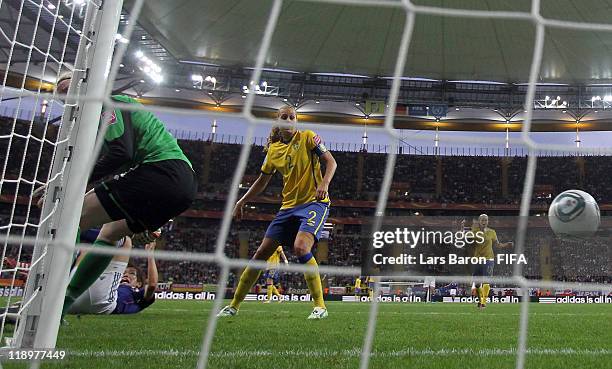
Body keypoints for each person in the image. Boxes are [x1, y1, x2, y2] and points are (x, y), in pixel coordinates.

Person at [51, 73, 197, 316]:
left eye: (69, 87)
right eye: (61, 94)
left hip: (161, 171)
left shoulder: (109, 103)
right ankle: (64, 304)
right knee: (110, 234)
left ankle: (51, 299)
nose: (67, 95)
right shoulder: (96, 120)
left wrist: (73, 183)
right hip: (183, 187)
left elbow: (121, 152)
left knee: (70, 218)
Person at [218, 105, 337, 319]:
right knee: (260, 254)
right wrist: (241, 201)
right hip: (288, 207)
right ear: (278, 122)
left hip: (314, 203)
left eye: (293, 117)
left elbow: (331, 161)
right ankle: (233, 306)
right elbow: (262, 181)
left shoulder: (309, 137)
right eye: (284, 117)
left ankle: (320, 307)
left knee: (301, 247)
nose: (289, 120)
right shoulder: (273, 151)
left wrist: (325, 184)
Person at [67, 233, 158, 315]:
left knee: (125, 240)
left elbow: (152, 285)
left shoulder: (136, 295)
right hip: (73, 301)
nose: (126, 275)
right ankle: (78, 231)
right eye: (124, 272)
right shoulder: (112, 285)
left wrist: (150, 254)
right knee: (85, 250)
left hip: (101, 304)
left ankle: (78, 229)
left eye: (132, 273)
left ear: (139, 284)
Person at [471, 214, 513, 309]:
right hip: (477, 259)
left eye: (486, 220)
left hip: (489, 259)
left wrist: (507, 244)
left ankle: (483, 302)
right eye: (482, 220)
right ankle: (479, 300)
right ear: (479, 221)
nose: (484, 222)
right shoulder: (475, 232)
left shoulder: (492, 232)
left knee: (486, 281)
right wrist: (462, 229)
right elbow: (465, 238)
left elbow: (497, 245)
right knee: (477, 284)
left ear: (488, 221)